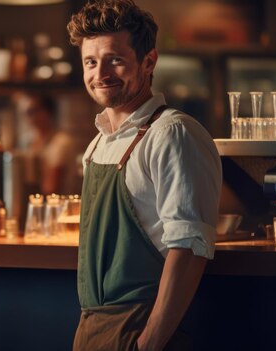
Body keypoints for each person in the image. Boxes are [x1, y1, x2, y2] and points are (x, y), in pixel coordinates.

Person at [67, 1, 222, 350]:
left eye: (115, 59)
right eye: (91, 62)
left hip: (143, 327)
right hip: (92, 326)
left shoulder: (173, 133)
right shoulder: (97, 144)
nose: (100, 73)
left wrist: (149, 342)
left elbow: (190, 248)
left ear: (149, 61)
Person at [22, 94, 77, 195]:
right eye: (27, 112)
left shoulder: (61, 142)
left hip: (57, 205)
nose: (29, 116)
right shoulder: (27, 141)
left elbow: (51, 187)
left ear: (48, 112)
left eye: (34, 111)